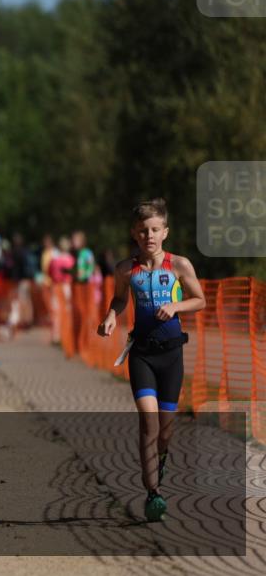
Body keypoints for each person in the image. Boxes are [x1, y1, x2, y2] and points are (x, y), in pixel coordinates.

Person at [98, 198, 205, 522]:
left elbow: (199, 300)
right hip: (142, 354)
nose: (149, 235)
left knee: (166, 431)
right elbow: (118, 299)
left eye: (155, 229)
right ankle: (153, 492)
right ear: (134, 233)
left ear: (165, 232)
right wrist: (110, 316)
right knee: (149, 422)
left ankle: (161, 460)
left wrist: (175, 307)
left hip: (171, 355)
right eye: (143, 230)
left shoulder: (179, 265)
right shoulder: (125, 269)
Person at [47, 236, 74, 345]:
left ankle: (55, 335)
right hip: (66, 287)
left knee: (55, 311)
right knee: (67, 310)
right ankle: (65, 334)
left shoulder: (54, 259)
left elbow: (49, 272)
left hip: (55, 286)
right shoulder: (71, 260)